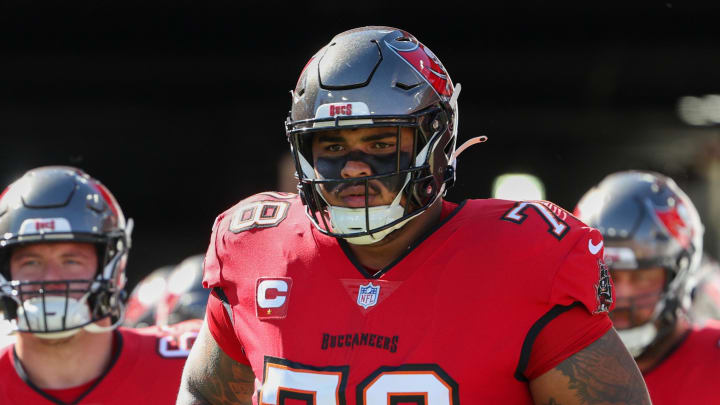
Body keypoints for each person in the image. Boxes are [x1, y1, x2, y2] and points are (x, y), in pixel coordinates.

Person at [177, 26, 650, 404]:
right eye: (332, 144)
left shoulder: (523, 259)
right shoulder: (254, 248)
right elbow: (204, 393)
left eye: (381, 143)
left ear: (437, 143)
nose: (354, 167)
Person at [0, 166, 200, 404]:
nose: (51, 278)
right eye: (31, 262)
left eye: (71, 260)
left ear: (112, 266)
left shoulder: (192, 364)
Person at [575, 170, 720, 404]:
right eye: (607, 275)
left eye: (642, 277)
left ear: (679, 273)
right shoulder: (553, 368)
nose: (620, 295)